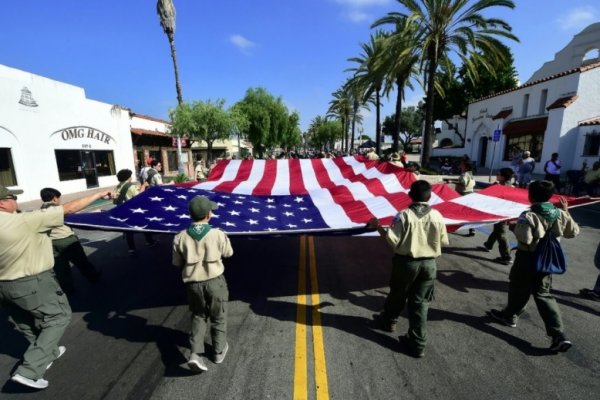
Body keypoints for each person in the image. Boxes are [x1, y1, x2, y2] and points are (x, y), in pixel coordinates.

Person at [0, 185, 111, 389]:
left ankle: (48, 353)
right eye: (11, 198)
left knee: (25, 322)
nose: (15, 201)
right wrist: (97, 194)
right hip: (31, 281)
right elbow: (67, 209)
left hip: (3, 287)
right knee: (59, 316)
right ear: (1, 202)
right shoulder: (24, 220)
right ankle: (29, 371)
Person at [488, 180, 580, 353]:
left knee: (518, 287)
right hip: (546, 259)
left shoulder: (528, 215)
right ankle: (558, 334)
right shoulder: (559, 213)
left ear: (530, 196)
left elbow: (526, 239)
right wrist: (566, 212)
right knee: (543, 294)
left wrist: (514, 226)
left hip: (527, 258)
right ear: (550, 196)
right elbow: (573, 232)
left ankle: (510, 316)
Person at [368, 180, 449, 358]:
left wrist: (378, 227)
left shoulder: (403, 215)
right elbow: (444, 241)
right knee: (420, 303)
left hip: (406, 263)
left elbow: (392, 240)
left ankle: (389, 321)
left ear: (410, 195)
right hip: (429, 265)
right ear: (429, 196)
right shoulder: (437, 215)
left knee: (398, 294)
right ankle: (418, 343)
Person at [172, 195, 234, 371]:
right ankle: (218, 351)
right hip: (215, 282)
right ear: (208, 215)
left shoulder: (180, 237)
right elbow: (229, 253)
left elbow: (177, 262)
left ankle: (195, 354)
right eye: (211, 211)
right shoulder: (218, 234)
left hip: (193, 284)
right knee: (219, 316)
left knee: (198, 316)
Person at [40, 188, 102, 295]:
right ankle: (93, 276)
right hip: (67, 241)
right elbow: (76, 217)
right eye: (59, 198)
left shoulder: (40, 211)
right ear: (55, 198)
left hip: (52, 243)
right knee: (81, 262)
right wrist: (94, 213)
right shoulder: (58, 210)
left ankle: (67, 288)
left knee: (61, 267)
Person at [114, 169, 156, 255]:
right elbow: (138, 196)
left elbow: (115, 200)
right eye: (130, 176)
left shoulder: (117, 187)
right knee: (144, 224)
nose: (131, 177)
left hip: (123, 210)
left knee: (128, 229)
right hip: (133, 209)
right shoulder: (130, 186)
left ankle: (131, 248)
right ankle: (149, 241)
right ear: (128, 177)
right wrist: (144, 186)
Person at [481, 168, 514, 265]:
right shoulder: (511, 186)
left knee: (501, 233)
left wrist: (493, 187)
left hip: (500, 213)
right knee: (497, 229)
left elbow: (487, 195)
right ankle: (488, 244)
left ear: (503, 177)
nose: (496, 175)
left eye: (498, 174)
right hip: (503, 212)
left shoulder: (500, 187)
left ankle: (506, 256)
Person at [447, 161, 476, 236]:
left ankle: (452, 226)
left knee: (456, 211)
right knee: (468, 212)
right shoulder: (471, 174)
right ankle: (472, 229)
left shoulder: (464, 174)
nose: (460, 166)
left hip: (462, 193)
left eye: (462, 165)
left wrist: (452, 181)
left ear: (466, 167)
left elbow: (463, 184)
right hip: (470, 193)